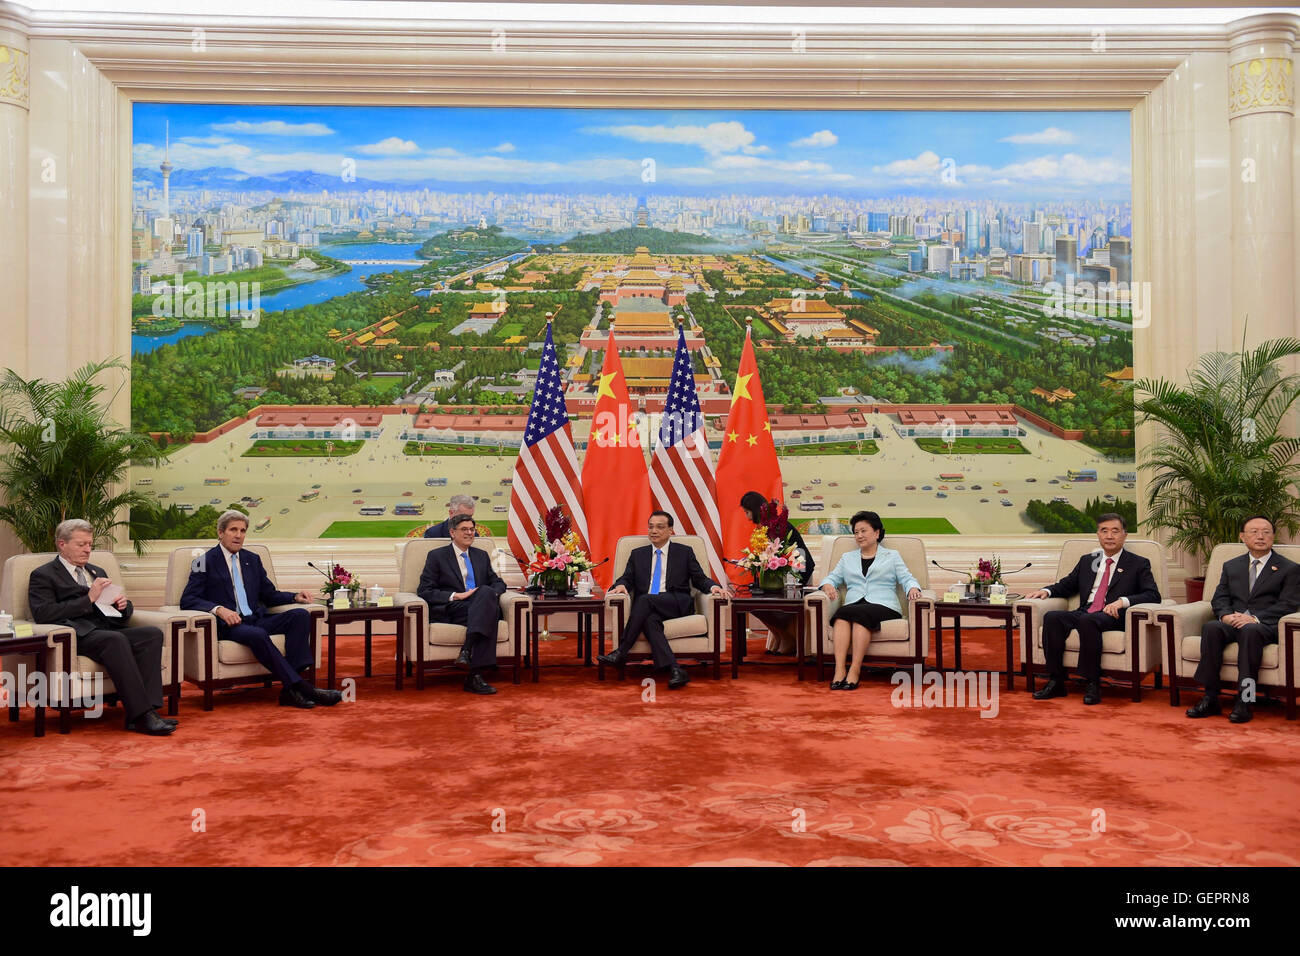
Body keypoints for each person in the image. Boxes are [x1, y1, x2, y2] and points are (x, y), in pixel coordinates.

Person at [27, 519, 175, 736]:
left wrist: (123, 606)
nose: (87, 550)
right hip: (78, 634)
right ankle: (142, 715)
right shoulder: (43, 575)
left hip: (106, 628)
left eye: (90, 544)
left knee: (151, 634)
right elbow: (44, 613)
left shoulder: (97, 570)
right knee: (115, 640)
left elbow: (115, 611)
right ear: (62, 544)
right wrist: (89, 598)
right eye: (81, 544)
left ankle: (148, 711)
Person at [181, 510, 341, 709]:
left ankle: (289, 692)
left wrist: (294, 597)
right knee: (257, 635)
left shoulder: (252, 559)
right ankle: (304, 688)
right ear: (220, 533)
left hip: (256, 618)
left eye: (243, 530)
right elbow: (188, 599)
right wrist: (218, 609)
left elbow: (269, 595)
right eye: (233, 530)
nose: (238, 535)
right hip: (230, 625)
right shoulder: (202, 562)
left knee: (299, 615)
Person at [1027, 512, 1160, 706]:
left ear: (1125, 535)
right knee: (1053, 618)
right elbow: (1067, 585)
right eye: (1104, 531)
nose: (1109, 536)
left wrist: (1122, 601)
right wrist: (1046, 591)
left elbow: (1153, 595)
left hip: (1114, 614)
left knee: (1087, 621)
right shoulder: (1087, 560)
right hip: (1087, 610)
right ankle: (1056, 681)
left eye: (1115, 531)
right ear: (1098, 535)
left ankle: (1092, 683)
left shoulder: (1138, 563)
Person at [1186, 515, 1300, 724]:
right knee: (1211, 627)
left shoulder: (1288, 568)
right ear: (1242, 537)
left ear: (1273, 537)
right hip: (1234, 621)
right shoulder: (1232, 566)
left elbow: (1288, 604)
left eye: (1266, 532)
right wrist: (1227, 616)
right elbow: (1220, 597)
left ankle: (1245, 700)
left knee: (1250, 631)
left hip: (1265, 626)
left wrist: (1254, 618)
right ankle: (1210, 697)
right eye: (1254, 532)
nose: (1260, 536)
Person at [597, 510, 727, 690]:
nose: (653, 531)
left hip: (676, 602)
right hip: (649, 606)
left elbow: (699, 578)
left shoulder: (684, 552)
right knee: (650, 620)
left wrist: (714, 587)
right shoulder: (637, 554)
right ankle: (675, 669)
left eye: (659, 527)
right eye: (650, 527)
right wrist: (621, 586)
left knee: (643, 600)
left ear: (670, 530)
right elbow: (627, 577)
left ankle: (621, 652)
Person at [818, 510, 921, 691]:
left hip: (884, 605)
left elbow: (907, 578)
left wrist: (913, 587)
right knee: (842, 615)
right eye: (856, 532)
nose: (859, 536)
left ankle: (855, 670)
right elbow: (832, 578)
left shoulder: (892, 556)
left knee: (858, 615)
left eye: (863, 531)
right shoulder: (847, 558)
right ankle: (839, 669)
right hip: (855, 604)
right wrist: (827, 585)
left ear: (877, 532)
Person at [417, 513, 506, 695]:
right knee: (490, 612)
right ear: (452, 532)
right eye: (464, 529)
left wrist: (486, 594)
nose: (469, 533)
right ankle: (475, 673)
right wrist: (457, 595)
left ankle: (468, 656)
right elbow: (425, 591)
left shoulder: (481, 555)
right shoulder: (437, 556)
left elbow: (498, 583)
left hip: (478, 606)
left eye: (472, 529)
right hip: (454, 608)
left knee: (487, 595)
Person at [739, 490, 815, 656]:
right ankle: (780, 635)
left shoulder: (778, 525)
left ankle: (788, 637)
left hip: (797, 575)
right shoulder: (763, 528)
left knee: (768, 605)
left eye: (747, 512)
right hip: (777, 578)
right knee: (754, 605)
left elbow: (797, 558)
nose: (747, 517)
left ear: (755, 510)